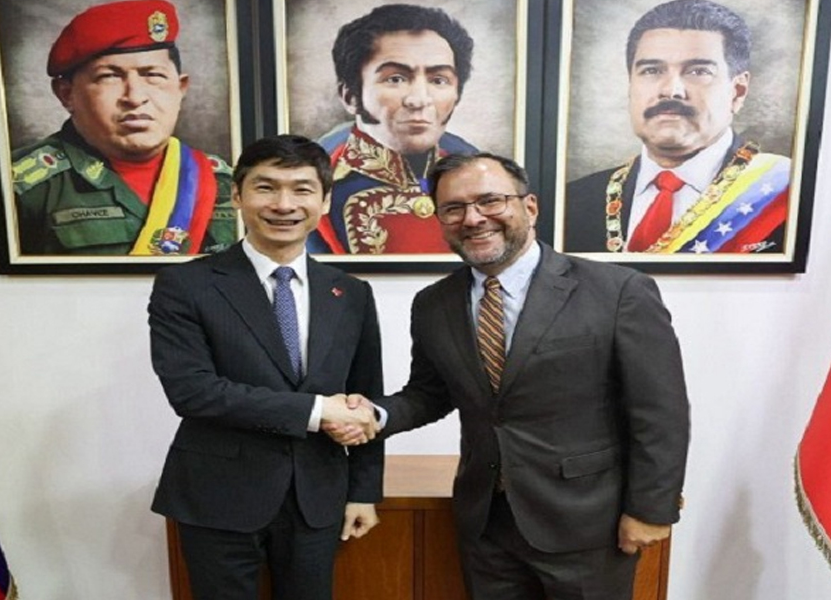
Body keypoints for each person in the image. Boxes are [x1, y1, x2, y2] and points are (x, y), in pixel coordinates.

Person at [337, 152, 690, 599]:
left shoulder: (618, 291)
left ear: (530, 207)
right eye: (454, 208)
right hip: (486, 524)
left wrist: (652, 509)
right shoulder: (433, 303)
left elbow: (660, 411)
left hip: (588, 525)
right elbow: (429, 393)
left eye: (490, 201)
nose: (473, 219)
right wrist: (375, 414)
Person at [148, 134, 383, 600]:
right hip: (218, 495)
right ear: (237, 195)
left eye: (301, 189)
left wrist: (364, 490)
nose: (284, 204)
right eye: (266, 187)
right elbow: (193, 391)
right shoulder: (186, 284)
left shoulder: (351, 292)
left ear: (324, 200)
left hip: (317, 495)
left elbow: (365, 399)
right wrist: (318, 411)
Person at [11, 0, 237, 256]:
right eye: (109, 76)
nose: (135, 97)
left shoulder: (226, 181)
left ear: (180, 88)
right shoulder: (22, 187)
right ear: (66, 94)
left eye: (153, 75)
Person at [565, 0, 789, 254]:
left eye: (698, 71)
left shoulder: (784, 196)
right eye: (651, 70)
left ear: (737, 92)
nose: (671, 91)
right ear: (631, 85)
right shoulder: (574, 201)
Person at [307, 3, 478, 255]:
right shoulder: (318, 177)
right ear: (350, 96)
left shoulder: (475, 169)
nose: (419, 99)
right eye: (396, 79)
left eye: (438, 80)